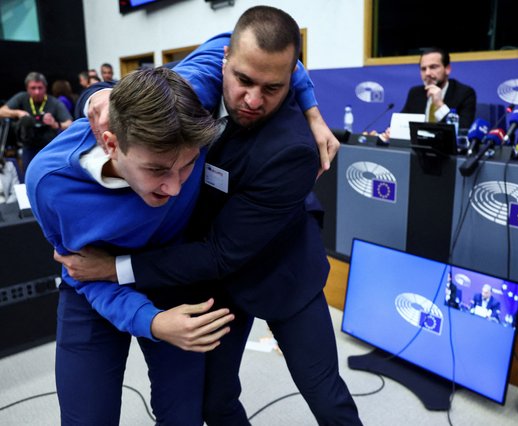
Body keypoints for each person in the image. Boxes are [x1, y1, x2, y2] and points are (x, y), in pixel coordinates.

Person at [57, 6, 362, 425]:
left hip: (279, 271)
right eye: (243, 80)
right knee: (213, 402)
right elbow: (126, 100)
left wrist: (114, 268)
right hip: (210, 280)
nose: (253, 100)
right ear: (225, 63)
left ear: (291, 79)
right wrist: (95, 97)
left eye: (272, 88)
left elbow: (222, 252)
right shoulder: (196, 84)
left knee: (325, 395)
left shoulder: (293, 150)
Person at [25, 67, 235, 425]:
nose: (174, 189)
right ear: (111, 143)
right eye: (156, 170)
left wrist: (310, 110)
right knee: (86, 417)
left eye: (186, 166)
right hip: (95, 287)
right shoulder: (50, 184)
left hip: (172, 274)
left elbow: (239, 42)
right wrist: (150, 321)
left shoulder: (187, 94)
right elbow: (82, 271)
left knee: (184, 414)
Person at [372, 47, 476, 139]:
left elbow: (462, 131)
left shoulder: (464, 93)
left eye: (433, 67)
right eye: (423, 69)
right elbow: (402, 123)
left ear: (447, 69)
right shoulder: (416, 93)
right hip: (417, 151)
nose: (427, 73)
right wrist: (389, 133)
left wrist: (439, 104)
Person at [0, 72, 72, 172]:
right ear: (27, 88)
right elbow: (1, 111)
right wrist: (17, 113)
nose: (37, 92)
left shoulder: (54, 102)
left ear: (45, 88)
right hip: (28, 145)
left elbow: (70, 124)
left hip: (48, 146)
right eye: (33, 88)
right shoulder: (22, 97)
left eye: (40, 88)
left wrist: (55, 124)